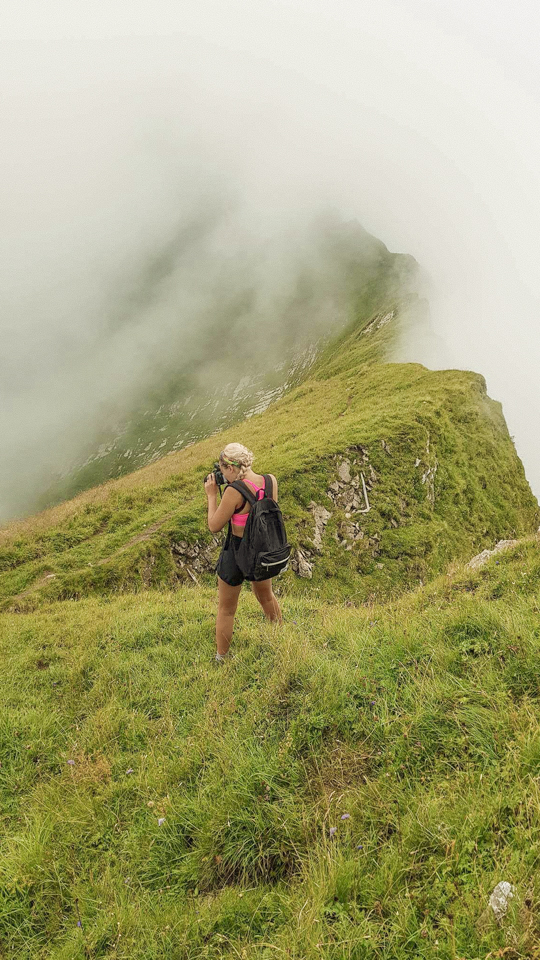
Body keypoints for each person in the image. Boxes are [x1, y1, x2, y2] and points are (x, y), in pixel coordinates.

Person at [204, 442, 283, 662]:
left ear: (230, 468)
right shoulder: (270, 481)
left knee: (227, 609)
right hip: (262, 550)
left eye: (222, 470)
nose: (222, 475)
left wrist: (212, 495)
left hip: (237, 551)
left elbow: (214, 525)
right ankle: (280, 635)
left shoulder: (233, 491)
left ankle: (223, 657)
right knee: (266, 596)